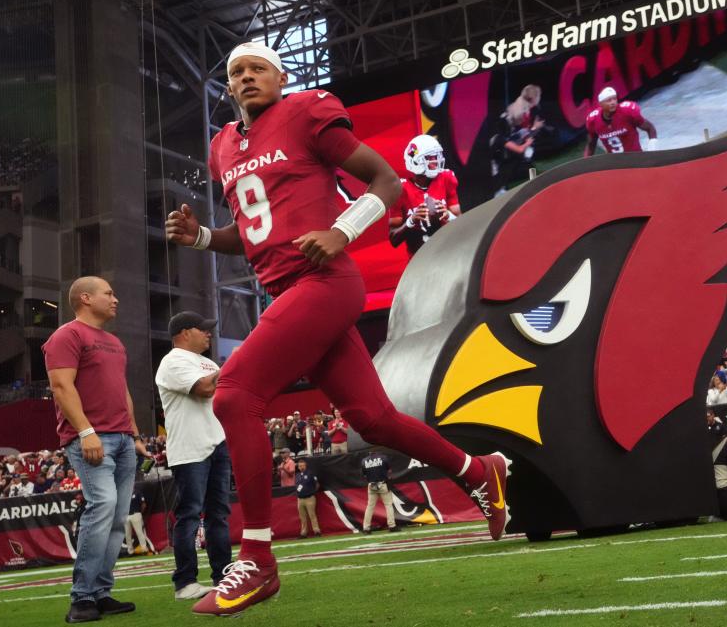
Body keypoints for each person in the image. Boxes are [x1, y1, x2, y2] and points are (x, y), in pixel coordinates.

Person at [165, 43, 509, 616]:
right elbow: (249, 230)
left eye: (257, 68)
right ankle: (479, 471)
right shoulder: (224, 145)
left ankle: (258, 560)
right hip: (287, 288)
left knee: (235, 394)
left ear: (280, 76)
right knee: (373, 418)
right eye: (236, 72)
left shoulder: (305, 112)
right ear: (228, 88)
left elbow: (386, 182)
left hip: (324, 280)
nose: (246, 77)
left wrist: (343, 233)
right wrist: (201, 236)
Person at [43, 276, 150, 623]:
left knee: (118, 517)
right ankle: (82, 597)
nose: (115, 299)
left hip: (120, 438)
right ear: (86, 298)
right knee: (102, 505)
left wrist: (134, 434)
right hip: (92, 438)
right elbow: (61, 387)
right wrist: (86, 431)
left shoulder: (115, 343)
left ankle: (101, 593)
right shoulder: (67, 335)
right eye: (109, 293)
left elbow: (122, 392)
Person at [154, 310, 232, 601]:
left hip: (217, 442)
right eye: (203, 329)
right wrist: (230, 367)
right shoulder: (172, 361)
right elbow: (203, 388)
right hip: (189, 449)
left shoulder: (207, 362)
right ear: (185, 333)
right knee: (189, 515)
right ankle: (185, 582)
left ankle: (223, 574)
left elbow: (224, 392)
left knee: (219, 514)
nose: (209, 333)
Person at [388, 135, 460, 257]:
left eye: (436, 156)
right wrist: (411, 222)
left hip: (448, 255)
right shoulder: (400, 190)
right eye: (430, 158)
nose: (436, 161)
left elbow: (462, 224)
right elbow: (394, 240)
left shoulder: (446, 179)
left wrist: (449, 216)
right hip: (419, 260)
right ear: (415, 161)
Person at [584, 86, 657, 156]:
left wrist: (652, 150)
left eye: (614, 99)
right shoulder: (593, 120)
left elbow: (650, 128)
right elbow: (591, 144)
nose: (613, 102)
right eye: (609, 100)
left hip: (636, 159)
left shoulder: (627, 111)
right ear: (601, 104)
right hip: (616, 164)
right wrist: (585, 163)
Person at [361, 450, 398, 534]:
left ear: (369, 453)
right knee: (388, 505)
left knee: (370, 506)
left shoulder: (364, 461)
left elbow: (364, 475)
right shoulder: (383, 458)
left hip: (371, 485)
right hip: (383, 483)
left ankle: (366, 528)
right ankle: (392, 526)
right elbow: (389, 470)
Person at [124, 486, 156, 556]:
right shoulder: (125, 493)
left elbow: (143, 504)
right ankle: (130, 551)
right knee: (127, 534)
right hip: (127, 515)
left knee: (139, 532)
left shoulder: (137, 492)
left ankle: (144, 549)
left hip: (136, 514)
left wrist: (139, 512)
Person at [294, 458, 321, 538]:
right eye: (300, 466)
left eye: (303, 466)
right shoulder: (297, 475)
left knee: (312, 515)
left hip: (309, 498)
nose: (301, 467)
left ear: (305, 466)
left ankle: (317, 531)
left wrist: (312, 492)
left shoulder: (310, 473)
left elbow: (317, 484)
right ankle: (303, 533)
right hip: (300, 499)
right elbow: (297, 486)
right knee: (302, 517)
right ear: (298, 467)